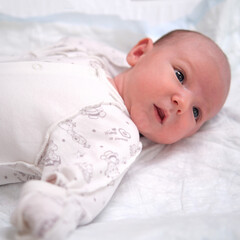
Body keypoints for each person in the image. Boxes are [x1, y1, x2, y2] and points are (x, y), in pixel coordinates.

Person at [0, 29, 230, 240]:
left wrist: (45, 214)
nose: (183, 103)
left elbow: (82, 187)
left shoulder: (115, 136)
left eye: (196, 112)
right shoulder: (92, 58)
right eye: (180, 76)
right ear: (139, 52)